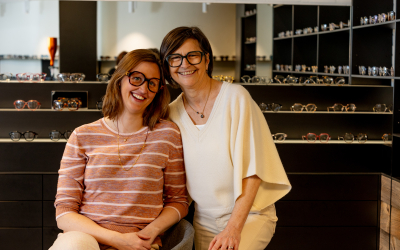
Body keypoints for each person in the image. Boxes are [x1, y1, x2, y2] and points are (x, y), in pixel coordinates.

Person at [160, 27, 291, 250]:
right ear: (168, 66)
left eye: (193, 55)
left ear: (206, 59)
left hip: (250, 214)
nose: (185, 64)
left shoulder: (236, 98)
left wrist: (233, 228)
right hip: (205, 220)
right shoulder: (170, 114)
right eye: (175, 58)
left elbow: (253, 171)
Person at [50, 49, 188, 250]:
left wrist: (150, 232)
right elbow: (64, 212)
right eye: (137, 78)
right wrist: (117, 240)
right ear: (120, 79)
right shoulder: (82, 136)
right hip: (86, 240)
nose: (143, 88)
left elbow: (179, 201)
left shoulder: (168, 134)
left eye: (152, 83)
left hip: (141, 243)